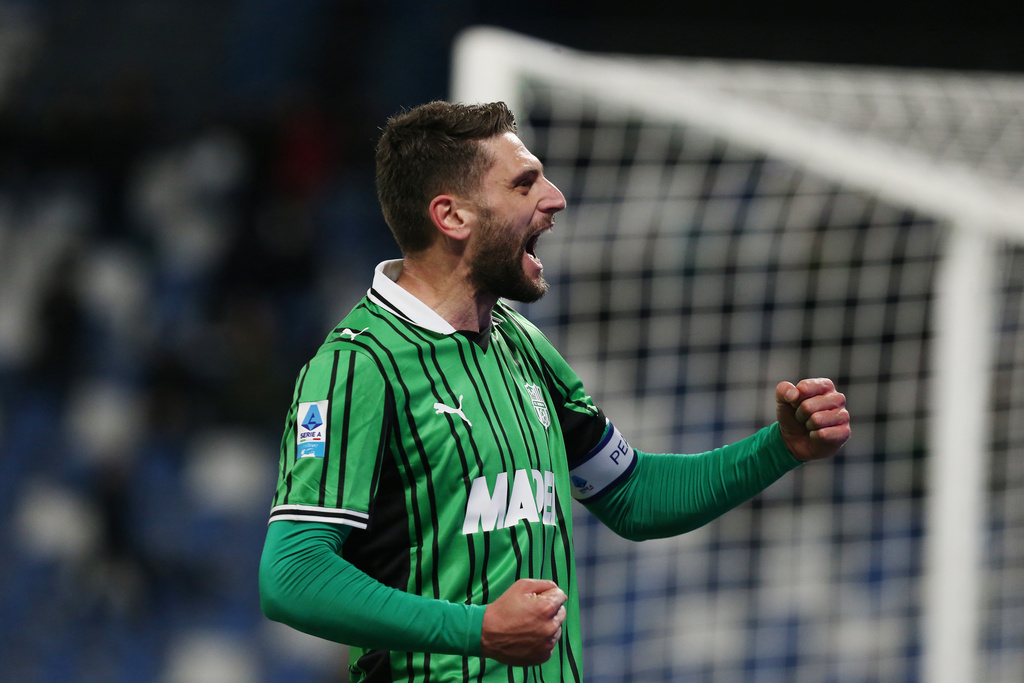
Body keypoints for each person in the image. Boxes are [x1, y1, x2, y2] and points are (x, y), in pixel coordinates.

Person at [258, 100, 850, 682]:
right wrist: (479, 630)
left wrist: (781, 447)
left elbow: (633, 496)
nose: (555, 198)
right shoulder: (359, 366)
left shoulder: (524, 345)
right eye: (524, 184)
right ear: (453, 216)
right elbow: (293, 574)